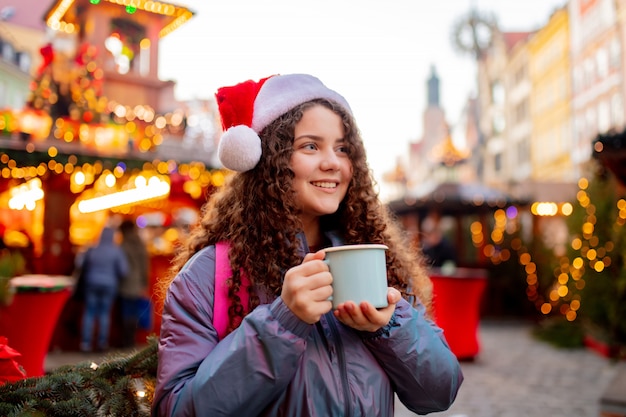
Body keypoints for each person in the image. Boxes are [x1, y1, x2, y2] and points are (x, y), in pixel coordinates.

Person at [152, 74, 463, 416]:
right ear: (270, 160)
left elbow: (440, 392)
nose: (332, 162)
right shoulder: (210, 275)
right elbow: (176, 409)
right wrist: (282, 323)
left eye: (342, 148)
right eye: (311, 146)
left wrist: (390, 326)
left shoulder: (374, 259)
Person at [79, 226, 129, 353]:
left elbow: (81, 264)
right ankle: (102, 343)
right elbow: (124, 270)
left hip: (92, 283)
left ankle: (86, 343)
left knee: (89, 312)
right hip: (109, 284)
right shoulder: (116, 251)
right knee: (104, 313)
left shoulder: (93, 249)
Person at [118, 219, 150, 348]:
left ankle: (127, 340)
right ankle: (132, 339)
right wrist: (144, 282)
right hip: (137, 283)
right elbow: (145, 266)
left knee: (126, 311)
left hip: (125, 282)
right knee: (135, 312)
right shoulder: (140, 244)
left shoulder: (123, 245)